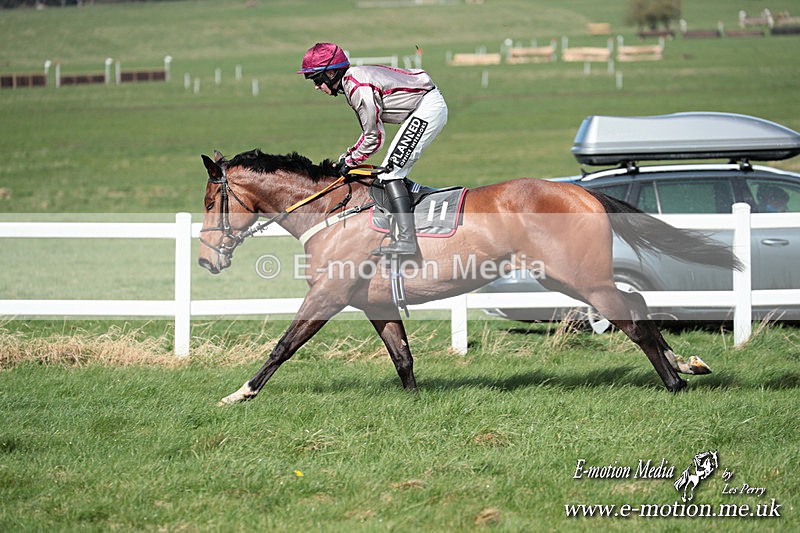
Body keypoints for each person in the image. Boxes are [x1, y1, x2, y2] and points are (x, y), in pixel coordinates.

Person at [297, 42, 448, 255]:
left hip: (427, 108)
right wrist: (347, 157)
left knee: (390, 173)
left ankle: (407, 240)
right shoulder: (352, 80)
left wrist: (349, 161)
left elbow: (374, 138)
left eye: (316, 79)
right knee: (390, 169)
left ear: (330, 74)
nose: (316, 86)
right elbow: (370, 133)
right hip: (423, 105)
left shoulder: (357, 88)